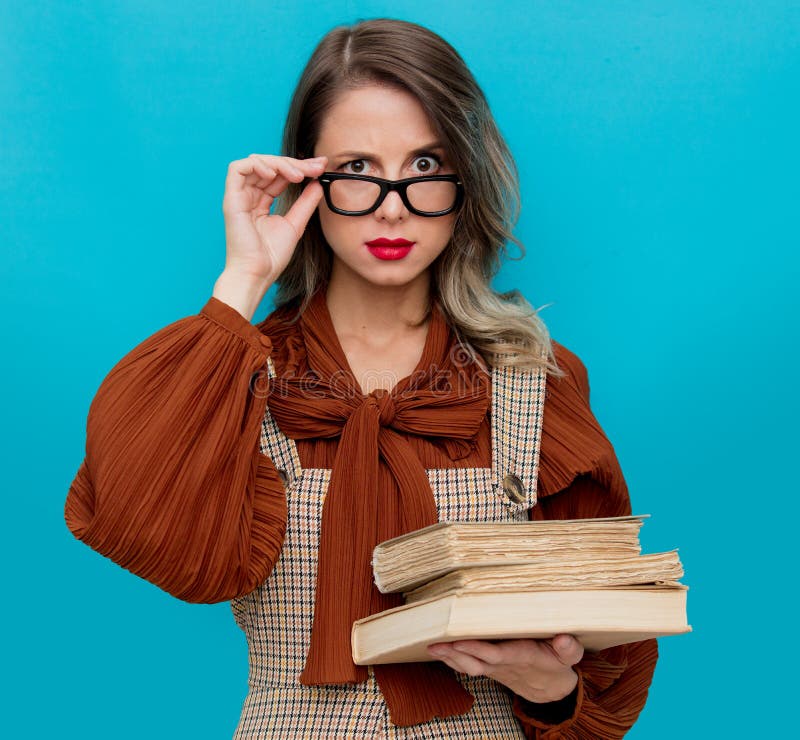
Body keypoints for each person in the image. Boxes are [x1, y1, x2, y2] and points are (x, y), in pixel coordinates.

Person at [64, 18, 658, 739]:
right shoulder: (244, 377)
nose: (392, 205)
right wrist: (243, 280)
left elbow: (609, 656)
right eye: (356, 169)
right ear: (307, 179)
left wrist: (552, 689)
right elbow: (137, 519)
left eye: (424, 165)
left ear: (465, 180)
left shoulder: (533, 383)